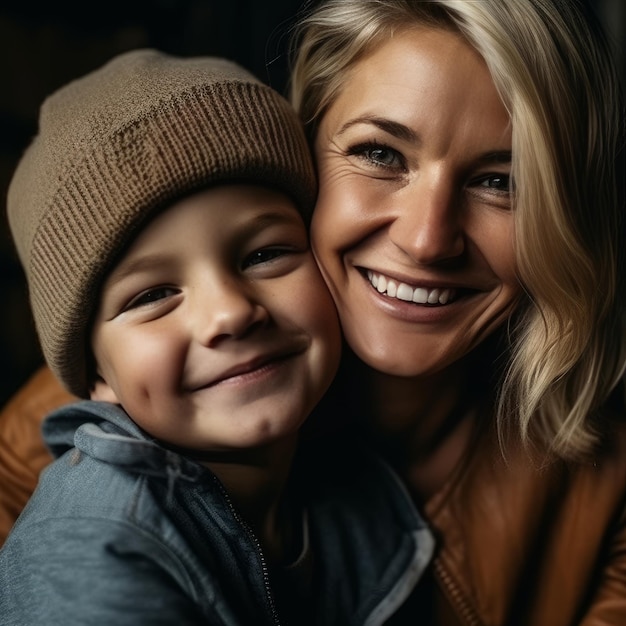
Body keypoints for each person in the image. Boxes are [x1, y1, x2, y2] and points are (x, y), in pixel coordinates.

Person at [0, 0, 624, 624]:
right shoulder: (48, 475)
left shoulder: (603, 493)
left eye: (501, 181)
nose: (427, 240)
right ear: (306, 153)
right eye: (380, 154)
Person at [0, 49, 435, 625]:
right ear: (97, 374)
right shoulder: (95, 549)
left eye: (265, 254)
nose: (229, 312)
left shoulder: (345, 492)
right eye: (153, 295)